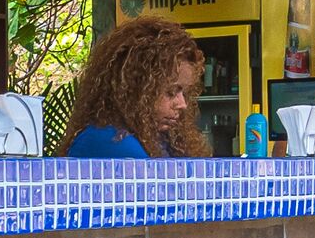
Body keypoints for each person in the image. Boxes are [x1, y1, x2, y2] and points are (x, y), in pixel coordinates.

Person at [57, 14, 211, 159]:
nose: (182, 104)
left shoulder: (156, 138)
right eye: (171, 92)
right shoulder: (111, 142)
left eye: (184, 92)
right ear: (135, 89)